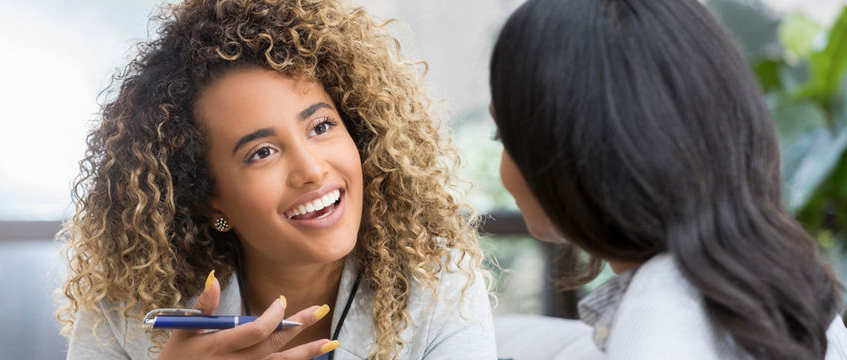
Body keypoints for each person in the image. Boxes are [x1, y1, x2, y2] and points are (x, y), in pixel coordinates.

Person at [58, 0, 495, 359]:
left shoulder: (435, 283)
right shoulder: (128, 310)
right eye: (261, 152)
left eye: (321, 126)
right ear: (209, 198)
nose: (311, 170)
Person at [489, 0, 847, 358]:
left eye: (504, 137)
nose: (502, 166)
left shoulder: (659, 323)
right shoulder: (789, 288)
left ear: (566, 147)